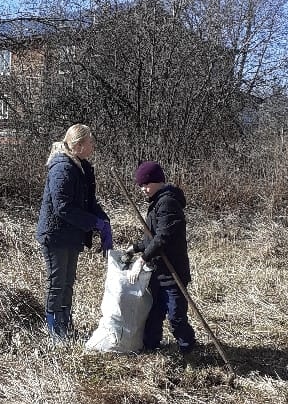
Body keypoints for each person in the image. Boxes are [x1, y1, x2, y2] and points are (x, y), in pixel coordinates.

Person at [36, 124, 113, 340]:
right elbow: (63, 207)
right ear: (78, 146)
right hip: (56, 234)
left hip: (71, 234)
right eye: (90, 143)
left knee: (68, 281)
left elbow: (87, 201)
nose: (93, 146)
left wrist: (103, 220)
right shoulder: (62, 168)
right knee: (57, 281)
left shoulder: (81, 166)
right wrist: (93, 223)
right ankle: (53, 330)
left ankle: (65, 324)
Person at [128, 161, 196, 355]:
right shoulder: (156, 202)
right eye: (140, 185)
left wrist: (142, 260)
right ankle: (151, 346)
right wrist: (135, 248)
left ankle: (187, 349)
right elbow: (151, 237)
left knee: (176, 316)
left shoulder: (168, 203)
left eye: (146, 184)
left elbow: (163, 237)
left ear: (158, 181)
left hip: (174, 273)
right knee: (154, 312)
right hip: (159, 271)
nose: (143, 189)